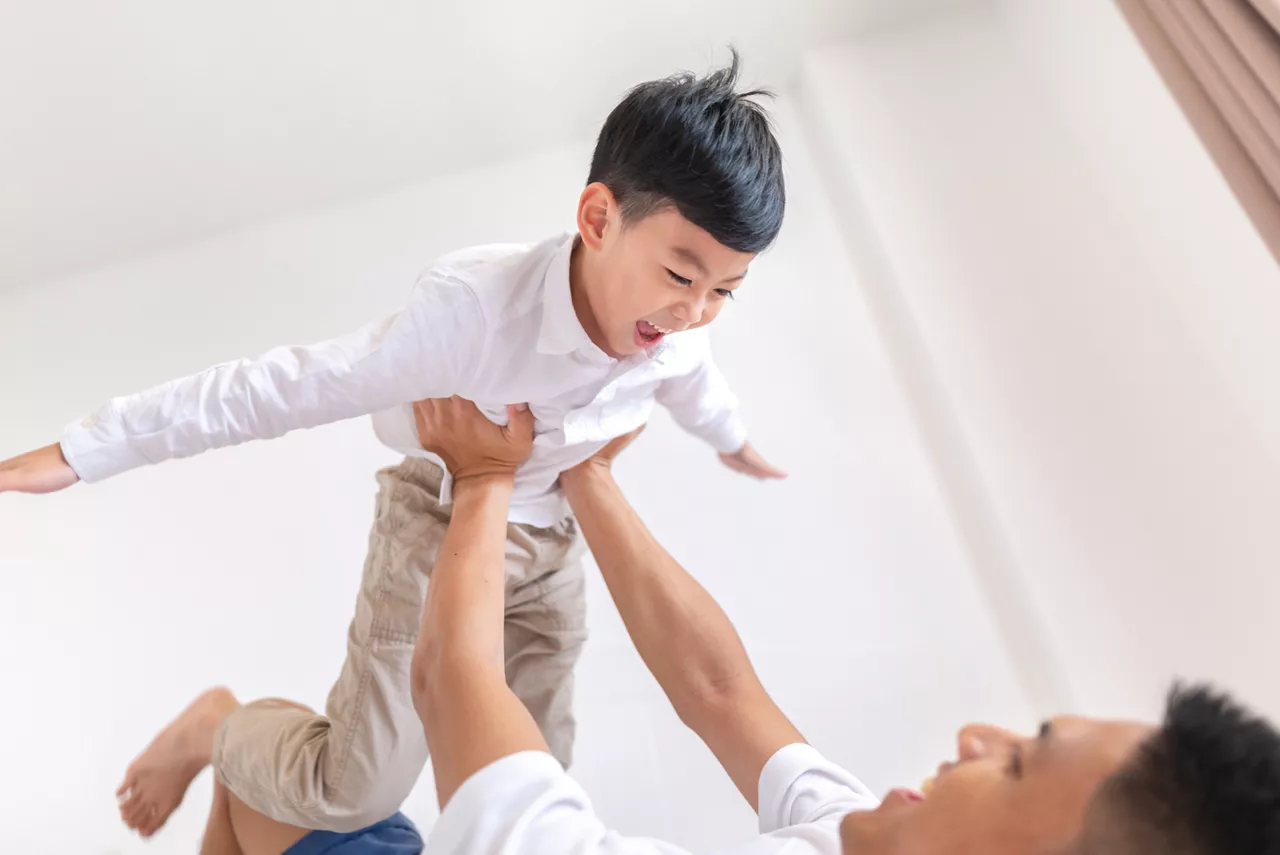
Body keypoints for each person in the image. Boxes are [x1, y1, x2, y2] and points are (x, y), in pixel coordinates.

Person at [0, 53, 789, 836]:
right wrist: (83, 451)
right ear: (597, 219)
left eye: (725, 290)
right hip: (440, 522)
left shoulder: (679, 340)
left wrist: (734, 440)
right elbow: (281, 387)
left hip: (551, 545)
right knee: (354, 791)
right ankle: (220, 725)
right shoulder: (471, 311)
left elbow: (698, 387)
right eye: (681, 276)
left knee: (538, 791)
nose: (696, 313)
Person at [134, 396, 1280, 855]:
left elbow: (451, 681)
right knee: (282, 792)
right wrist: (585, 478)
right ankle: (220, 733)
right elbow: (720, 689)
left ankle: (218, 726)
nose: (979, 732)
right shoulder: (877, 836)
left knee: (300, 789)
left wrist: (481, 485)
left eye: (1020, 762)